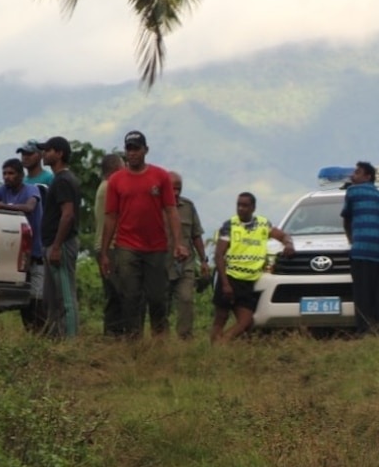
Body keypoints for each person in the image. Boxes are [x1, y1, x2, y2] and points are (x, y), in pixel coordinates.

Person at [99, 131, 189, 339]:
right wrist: (104, 252)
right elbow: (111, 217)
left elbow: (171, 210)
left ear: (145, 150)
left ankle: (159, 339)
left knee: (157, 297)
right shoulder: (116, 180)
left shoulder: (160, 177)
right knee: (130, 296)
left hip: (156, 246)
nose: (132, 153)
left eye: (136, 149)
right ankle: (134, 341)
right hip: (127, 246)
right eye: (129, 149)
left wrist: (178, 243)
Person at [211, 192, 294, 343]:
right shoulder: (229, 225)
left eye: (245, 205)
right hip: (230, 278)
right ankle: (215, 349)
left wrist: (288, 244)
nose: (241, 209)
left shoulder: (263, 224)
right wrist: (225, 284)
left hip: (248, 282)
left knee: (246, 321)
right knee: (220, 318)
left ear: (253, 207)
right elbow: (218, 255)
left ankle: (222, 343)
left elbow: (282, 236)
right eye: (238, 205)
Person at [0, 158, 45, 330]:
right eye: (4, 173)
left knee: (37, 298)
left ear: (20, 175)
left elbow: (29, 208)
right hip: (17, 254)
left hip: (36, 253)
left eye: (11, 173)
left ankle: (42, 333)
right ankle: (32, 333)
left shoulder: (30, 190)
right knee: (25, 299)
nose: (7, 177)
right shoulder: (4, 190)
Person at [340, 161, 379, 336]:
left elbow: (347, 219)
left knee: (363, 292)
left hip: (363, 250)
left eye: (357, 173)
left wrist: (352, 241)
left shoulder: (353, 191)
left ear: (367, 177)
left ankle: (365, 330)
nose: (352, 176)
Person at [37, 136, 81, 339]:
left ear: (60, 153)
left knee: (65, 298)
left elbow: (68, 214)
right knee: (51, 299)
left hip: (60, 245)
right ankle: (56, 338)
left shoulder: (63, 180)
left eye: (48, 150)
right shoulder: (60, 179)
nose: (44, 154)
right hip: (52, 244)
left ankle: (70, 341)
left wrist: (56, 246)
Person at [164, 171, 209, 340]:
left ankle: (185, 336)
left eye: (178, 189)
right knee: (161, 303)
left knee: (186, 298)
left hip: (185, 263)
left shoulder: (188, 206)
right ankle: (161, 337)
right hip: (162, 263)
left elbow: (196, 235)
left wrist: (203, 260)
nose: (175, 192)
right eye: (172, 188)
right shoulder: (156, 206)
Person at [93, 153, 125, 336]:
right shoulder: (110, 188)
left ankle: (112, 334)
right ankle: (118, 333)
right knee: (120, 293)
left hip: (104, 246)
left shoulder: (103, 187)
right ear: (115, 169)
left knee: (113, 294)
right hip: (111, 247)